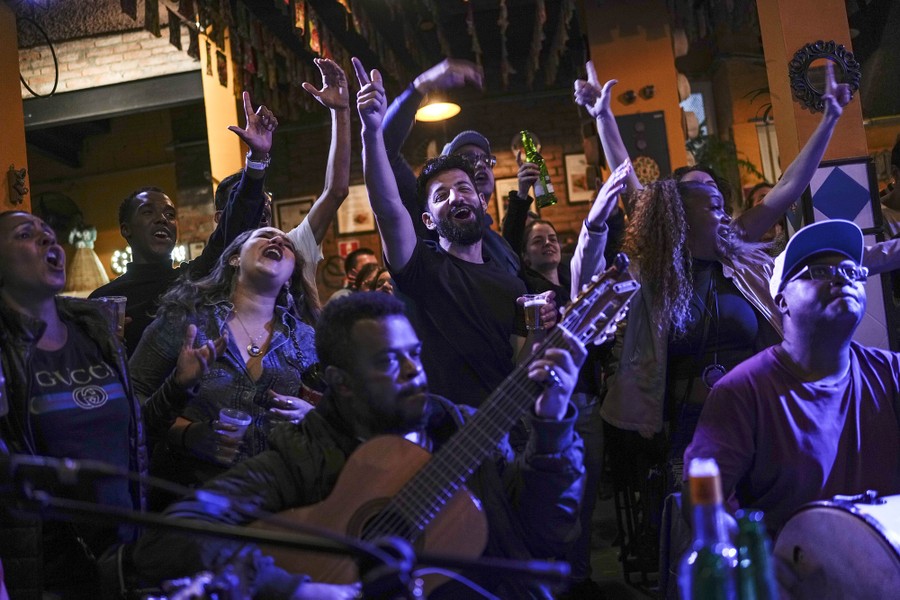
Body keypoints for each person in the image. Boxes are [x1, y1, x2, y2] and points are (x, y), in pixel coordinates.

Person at [132, 292, 586, 599]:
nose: (414, 371)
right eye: (391, 360)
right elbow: (168, 540)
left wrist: (552, 425)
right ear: (341, 384)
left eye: (414, 353)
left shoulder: (462, 430)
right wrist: (294, 589)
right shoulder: (304, 455)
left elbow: (547, 530)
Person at [0, 211, 192, 597]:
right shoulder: (6, 351)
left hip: (125, 554)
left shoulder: (93, 331)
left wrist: (179, 385)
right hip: (50, 568)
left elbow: (134, 437)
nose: (48, 241)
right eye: (26, 234)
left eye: (49, 234)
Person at [354, 58, 556, 408]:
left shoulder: (510, 279)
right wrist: (371, 132)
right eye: (440, 194)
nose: (455, 196)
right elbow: (386, 204)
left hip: (503, 434)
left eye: (463, 187)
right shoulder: (421, 266)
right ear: (427, 219)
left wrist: (539, 329)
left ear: (481, 198)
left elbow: (518, 369)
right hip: (441, 431)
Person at [684, 219, 900, 534]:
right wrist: (755, 560)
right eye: (820, 272)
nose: (843, 279)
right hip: (792, 574)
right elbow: (700, 498)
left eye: (853, 272)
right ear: (782, 299)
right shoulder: (742, 391)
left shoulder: (891, 374)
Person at [128, 227, 318, 499]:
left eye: (286, 244)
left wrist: (311, 416)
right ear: (235, 259)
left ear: (290, 277)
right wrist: (187, 434)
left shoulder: (306, 339)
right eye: (264, 236)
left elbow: (339, 415)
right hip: (194, 497)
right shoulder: (185, 319)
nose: (277, 240)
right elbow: (132, 395)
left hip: (281, 501)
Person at [90, 91, 277, 355]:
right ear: (126, 229)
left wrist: (257, 158)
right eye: (147, 212)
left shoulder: (194, 278)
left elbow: (232, 227)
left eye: (169, 214)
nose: (161, 219)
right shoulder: (106, 301)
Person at [216, 58, 353, 316]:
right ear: (220, 218)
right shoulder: (214, 275)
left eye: (266, 204)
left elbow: (336, 190)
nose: (263, 211)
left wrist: (341, 111)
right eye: (251, 203)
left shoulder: (290, 247)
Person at [382, 59, 522, 277]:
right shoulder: (430, 222)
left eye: (486, 159)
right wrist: (421, 86)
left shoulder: (500, 246)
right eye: (467, 158)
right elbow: (382, 149)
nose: (480, 164)